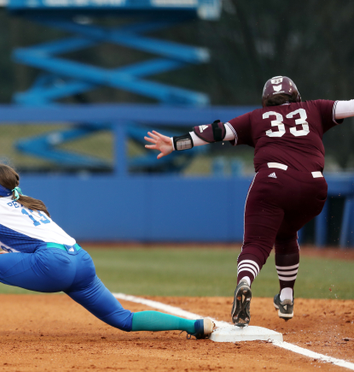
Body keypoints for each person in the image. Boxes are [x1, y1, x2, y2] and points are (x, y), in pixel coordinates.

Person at [0, 163, 215, 342]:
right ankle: (194, 326)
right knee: (122, 319)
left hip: (53, 263)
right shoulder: (25, 203)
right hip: (81, 260)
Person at [145, 76, 354, 327]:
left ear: (266, 101)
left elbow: (218, 131)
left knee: (256, 243)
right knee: (286, 233)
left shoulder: (256, 118)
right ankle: (286, 298)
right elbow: (350, 106)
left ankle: (244, 281)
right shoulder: (314, 108)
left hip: (273, 182)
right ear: (296, 96)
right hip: (314, 188)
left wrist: (176, 143)